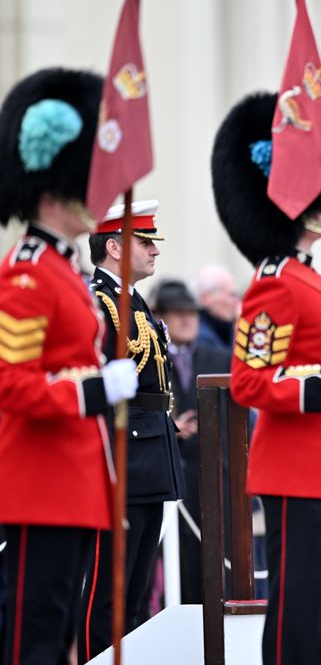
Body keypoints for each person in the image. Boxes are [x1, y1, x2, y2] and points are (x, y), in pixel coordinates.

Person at [211, 91, 321, 664]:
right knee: (295, 616)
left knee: (317, 616)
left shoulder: (313, 279)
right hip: (297, 473)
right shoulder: (275, 282)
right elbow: (249, 382)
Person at [0, 67, 138, 664]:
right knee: (34, 637)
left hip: (77, 483)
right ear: (55, 190)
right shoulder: (27, 271)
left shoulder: (63, 271)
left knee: (56, 640)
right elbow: (12, 382)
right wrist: (94, 391)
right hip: (40, 487)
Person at [79, 201, 186, 662]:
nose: (155, 252)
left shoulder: (131, 300)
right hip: (121, 455)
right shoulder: (99, 302)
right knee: (110, 592)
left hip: (150, 451)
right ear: (115, 246)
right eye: (146, 243)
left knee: (137, 589)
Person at [149, 279, 233, 604]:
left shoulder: (219, 357)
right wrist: (172, 432)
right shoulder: (152, 359)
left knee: (217, 567)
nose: (187, 319)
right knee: (174, 568)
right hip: (171, 478)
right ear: (161, 317)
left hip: (215, 475)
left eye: (192, 313)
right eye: (177, 313)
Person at [193, 264, 239, 351]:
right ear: (206, 297)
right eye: (231, 295)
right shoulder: (201, 338)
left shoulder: (223, 330)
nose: (236, 302)